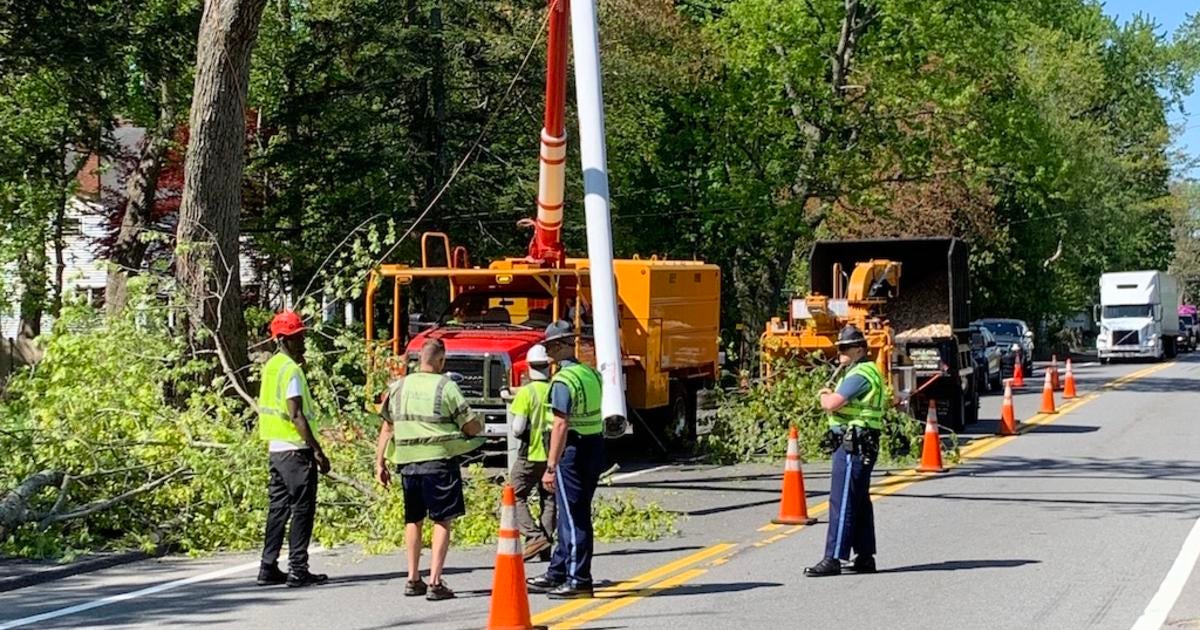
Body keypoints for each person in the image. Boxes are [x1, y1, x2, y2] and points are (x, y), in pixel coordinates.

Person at [374, 338, 484, 601]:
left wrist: (379, 462)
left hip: (408, 462)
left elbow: (387, 427)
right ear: (441, 361)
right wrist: (478, 428)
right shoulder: (446, 386)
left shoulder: (398, 386)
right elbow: (469, 425)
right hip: (439, 462)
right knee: (442, 519)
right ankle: (435, 581)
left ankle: (413, 578)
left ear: (418, 360)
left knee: (413, 519)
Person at [526, 321, 605, 599]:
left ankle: (578, 579)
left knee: (574, 517)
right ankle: (558, 570)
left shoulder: (562, 381)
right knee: (571, 512)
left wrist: (550, 465)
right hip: (594, 446)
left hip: (572, 450)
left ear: (560, 346)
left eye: (549, 346)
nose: (546, 352)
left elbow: (560, 425)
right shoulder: (590, 374)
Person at [805, 325, 888, 577]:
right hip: (860, 441)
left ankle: (833, 558)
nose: (840, 351)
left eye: (845, 347)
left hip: (854, 443)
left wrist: (824, 397)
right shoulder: (859, 371)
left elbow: (832, 403)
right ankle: (864, 556)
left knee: (841, 500)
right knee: (859, 499)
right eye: (839, 347)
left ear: (860, 349)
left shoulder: (860, 374)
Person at [256, 310, 330, 588]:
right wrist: (318, 450)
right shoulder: (291, 370)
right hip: (295, 450)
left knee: (278, 508)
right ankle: (298, 569)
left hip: (276, 449)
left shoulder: (272, 366)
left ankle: (268, 566)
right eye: (299, 337)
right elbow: (296, 414)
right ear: (285, 339)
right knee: (302, 509)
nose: (303, 341)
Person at [508, 345, 557, 562]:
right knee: (549, 498)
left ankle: (534, 537)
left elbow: (518, 428)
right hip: (552, 454)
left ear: (528, 367)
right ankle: (545, 545)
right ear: (549, 366)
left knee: (514, 495)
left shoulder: (527, 393)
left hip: (529, 453)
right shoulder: (557, 388)